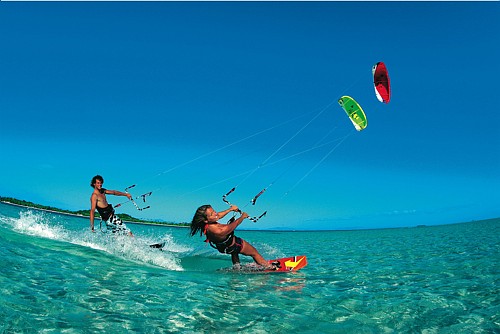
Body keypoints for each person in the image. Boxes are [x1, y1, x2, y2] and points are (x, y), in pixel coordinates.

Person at [190, 204, 276, 270]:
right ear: (206, 220)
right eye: (212, 213)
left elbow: (219, 215)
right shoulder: (218, 230)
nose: (216, 213)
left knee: (234, 252)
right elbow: (232, 226)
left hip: (224, 247)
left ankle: (237, 267)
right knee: (254, 253)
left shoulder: (206, 224)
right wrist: (242, 217)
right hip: (235, 245)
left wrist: (230, 209)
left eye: (214, 211)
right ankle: (269, 267)